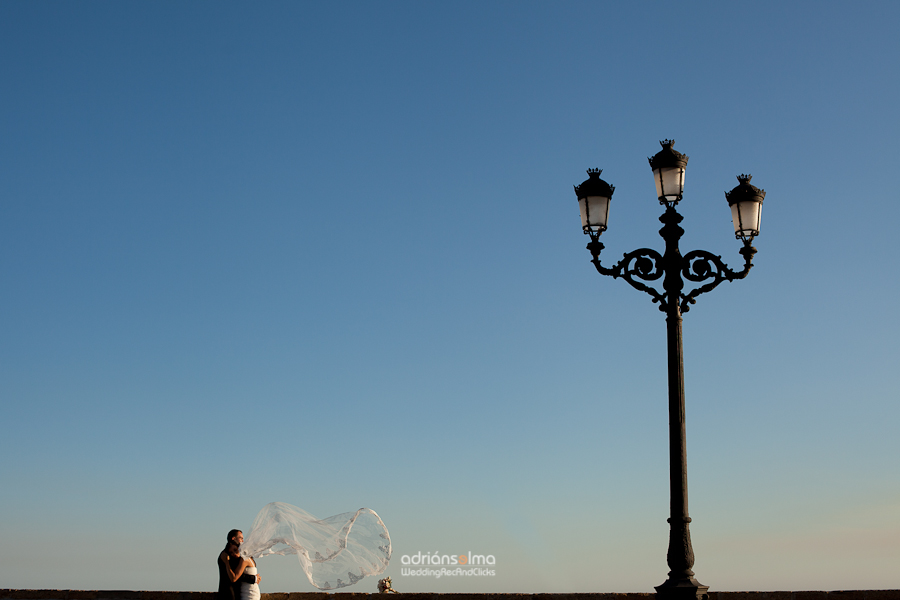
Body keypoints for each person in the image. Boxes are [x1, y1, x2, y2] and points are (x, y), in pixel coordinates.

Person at [216, 529, 261, 600]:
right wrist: (253, 578)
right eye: (241, 538)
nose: (243, 541)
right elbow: (235, 575)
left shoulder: (232, 553)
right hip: (229, 594)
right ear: (233, 539)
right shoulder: (226, 555)